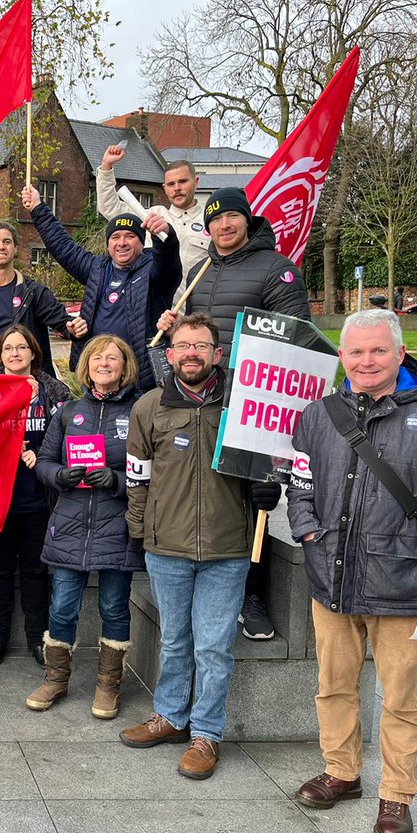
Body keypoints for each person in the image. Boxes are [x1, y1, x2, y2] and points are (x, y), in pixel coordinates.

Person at [287, 309, 417, 833]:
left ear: (400, 353)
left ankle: (397, 795)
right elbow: (299, 483)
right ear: (342, 357)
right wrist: (308, 531)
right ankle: (342, 771)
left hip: (406, 587)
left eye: (378, 351)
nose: (366, 361)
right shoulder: (317, 415)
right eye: (356, 351)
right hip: (331, 579)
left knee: (402, 699)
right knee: (333, 686)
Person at [121, 313, 279, 780]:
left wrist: (268, 485)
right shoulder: (149, 407)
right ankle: (170, 717)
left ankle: (206, 733)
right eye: (183, 345)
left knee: (212, 647)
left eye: (201, 345)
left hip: (226, 547)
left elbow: (268, 462)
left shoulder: (242, 404)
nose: (192, 352)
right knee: (174, 641)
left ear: (216, 353)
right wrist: (138, 530)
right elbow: (137, 478)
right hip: (165, 546)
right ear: (169, 355)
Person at [157, 186, 312, 643]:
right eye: (215, 220)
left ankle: (253, 596)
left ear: (247, 220)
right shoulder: (198, 269)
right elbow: (189, 331)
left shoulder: (278, 270)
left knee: (255, 498)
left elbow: (294, 341)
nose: (224, 226)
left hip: (254, 401)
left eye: (232, 218)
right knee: (210, 493)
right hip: (204, 396)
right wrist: (171, 328)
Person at [28, 334, 141, 718]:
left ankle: (108, 686)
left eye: (112, 358)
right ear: (86, 366)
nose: (104, 364)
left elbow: (153, 470)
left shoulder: (139, 411)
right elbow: (43, 461)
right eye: (97, 358)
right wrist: (60, 474)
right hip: (70, 524)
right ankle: (55, 679)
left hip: (117, 525)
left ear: (124, 366)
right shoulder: (68, 411)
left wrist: (117, 481)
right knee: (61, 608)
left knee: (114, 607)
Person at [22, 185, 181, 393]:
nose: (121, 243)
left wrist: (166, 236)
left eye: (130, 236)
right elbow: (63, 247)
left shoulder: (154, 271)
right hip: (97, 376)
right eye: (115, 237)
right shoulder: (97, 269)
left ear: (142, 242)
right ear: (107, 244)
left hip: (140, 381)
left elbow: (168, 261)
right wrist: (37, 207)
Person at [0, 325, 71, 668]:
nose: (15, 354)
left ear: (34, 353)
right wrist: (4, 443)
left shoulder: (54, 392)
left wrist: (42, 453)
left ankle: (38, 637)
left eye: (22, 348)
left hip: (39, 499)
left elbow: (68, 438)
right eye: (8, 348)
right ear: (0, 355)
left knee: (36, 571)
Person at [0, 221, 82, 377]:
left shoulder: (34, 292)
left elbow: (63, 323)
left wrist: (72, 328)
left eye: (7, 242)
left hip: (31, 379)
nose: (1, 247)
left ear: (15, 248)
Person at [95, 145, 209, 282]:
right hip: (155, 302)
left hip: (196, 302)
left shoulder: (211, 220)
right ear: (165, 188)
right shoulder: (151, 216)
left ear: (196, 182)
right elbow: (110, 207)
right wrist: (106, 166)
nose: (177, 188)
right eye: (171, 184)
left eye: (183, 182)